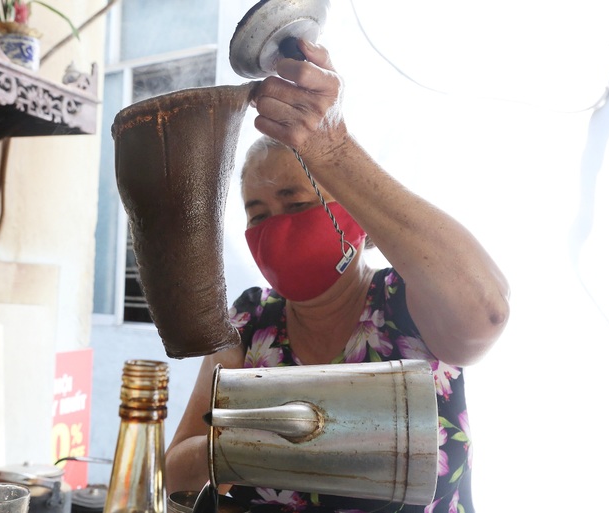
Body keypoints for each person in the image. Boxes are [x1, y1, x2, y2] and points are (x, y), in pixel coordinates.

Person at [165, 40, 510, 513]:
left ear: (355, 214)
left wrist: (332, 149)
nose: (275, 227)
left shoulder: (409, 302)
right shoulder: (249, 319)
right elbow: (177, 469)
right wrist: (260, 434)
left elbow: (486, 313)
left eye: (297, 203)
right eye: (257, 213)